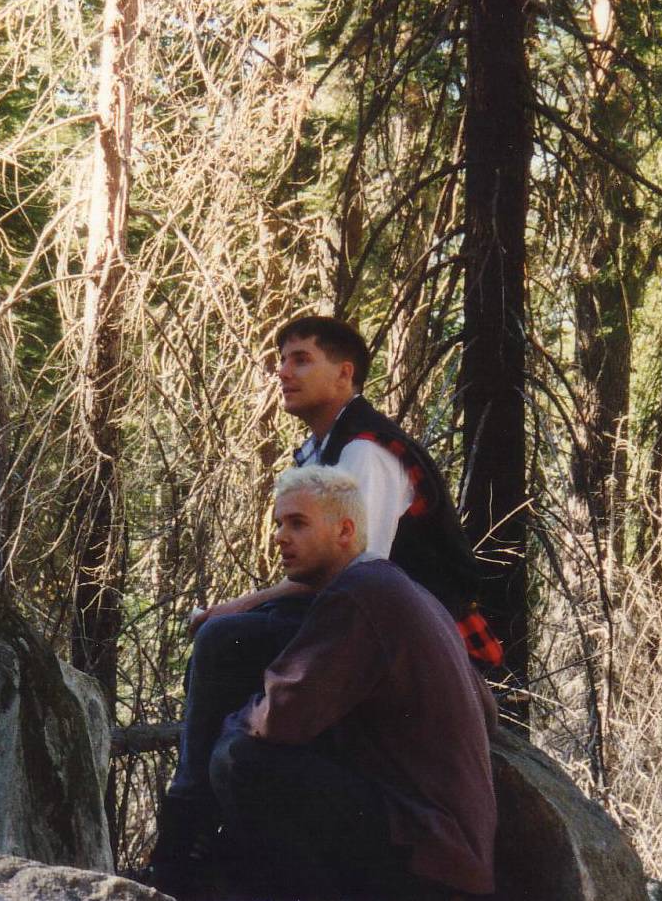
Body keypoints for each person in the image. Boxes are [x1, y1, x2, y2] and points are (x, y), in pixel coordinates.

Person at [151, 316, 498, 879]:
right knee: (239, 653)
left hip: (405, 639)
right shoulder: (316, 453)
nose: (282, 371)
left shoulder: (366, 452)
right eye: (281, 359)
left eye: (301, 359)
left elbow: (358, 566)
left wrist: (238, 608)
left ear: (345, 374)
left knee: (225, 642)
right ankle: (212, 836)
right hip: (362, 620)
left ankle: (188, 827)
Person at [211, 467, 496, 899]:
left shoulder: (360, 592)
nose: (280, 537)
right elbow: (488, 710)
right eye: (279, 524)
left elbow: (281, 716)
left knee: (238, 758)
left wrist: (231, 721)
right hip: (449, 850)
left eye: (298, 523)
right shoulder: (408, 591)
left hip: (425, 852)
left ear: (345, 531)